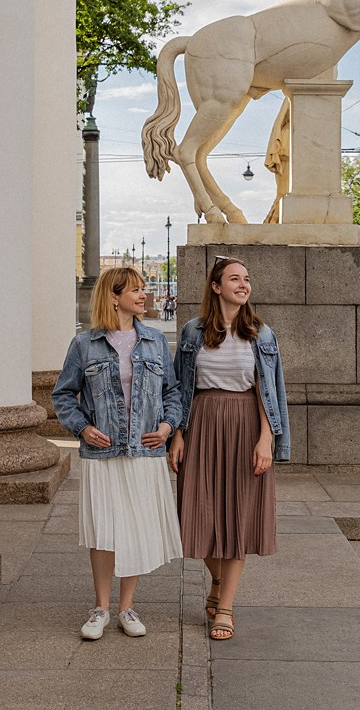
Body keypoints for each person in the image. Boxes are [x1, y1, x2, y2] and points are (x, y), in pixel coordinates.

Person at [52, 266, 183, 641]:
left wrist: (166, 426)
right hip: (102, 452)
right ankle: (101, 608)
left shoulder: (156, 341)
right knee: (104, 529)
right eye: (135, 290)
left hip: (145, 450)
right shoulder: (84, 345)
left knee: (137, 528)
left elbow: (172, 392)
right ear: (113, 296)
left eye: (144, 289)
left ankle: (127, 608)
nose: (144, 295)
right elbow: (63, 394)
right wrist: (82, 428)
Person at [168, 256, 290, 641]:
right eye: (234, 279)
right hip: (201, 422)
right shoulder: (192, 331)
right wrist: (178, 433)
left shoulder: (260, 333)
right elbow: (178, 387)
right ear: (216, 287)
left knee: (237, 517)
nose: (243, 284)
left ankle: (225, 608)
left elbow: (269, 391)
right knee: (195, 515)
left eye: (247, 279)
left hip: (245, 426)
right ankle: (219, 580)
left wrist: (267, 438)